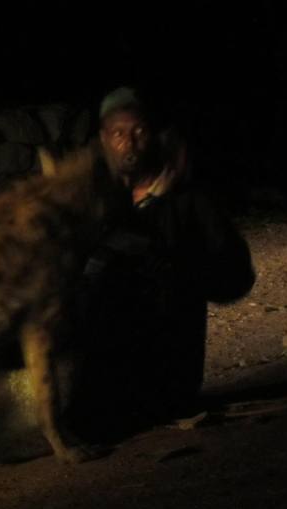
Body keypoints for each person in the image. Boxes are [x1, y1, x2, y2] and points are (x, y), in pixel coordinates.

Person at [66, 86, 256, 442]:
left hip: (169, 377)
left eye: (138, 131)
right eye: (118, 133)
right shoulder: (97, 202)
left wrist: (174, 265)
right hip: (105, 377)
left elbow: (236, 278)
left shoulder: (189, 202)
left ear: (156, 136)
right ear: (104, 140)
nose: (129, 142)